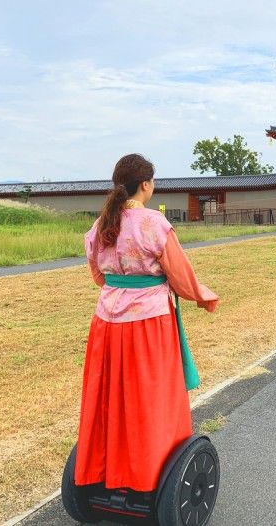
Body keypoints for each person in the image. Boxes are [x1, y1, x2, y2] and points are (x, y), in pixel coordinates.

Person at [75, 153, 219, 493]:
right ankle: (147, 471)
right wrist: (202, 296)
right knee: (149, 397)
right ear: (145, 184)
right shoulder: (154, 224)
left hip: (106, 321)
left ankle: (108, 467)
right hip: (148, 323)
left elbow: (98, 276)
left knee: (110, 395)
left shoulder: (99, 226)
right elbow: (180, 274)